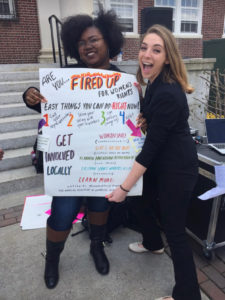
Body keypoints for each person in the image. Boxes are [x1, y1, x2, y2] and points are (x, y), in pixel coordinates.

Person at [23, 8, 124, 289]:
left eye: (93, 39)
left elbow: (130, 127)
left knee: (100, 206)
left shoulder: (123, 83)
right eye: (81, 42)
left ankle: (97, 246)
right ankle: (53, 259)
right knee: (63, 213)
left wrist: (139, 118)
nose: (87, 46)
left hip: (105, 161)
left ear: (109, 41)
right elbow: (44, 104)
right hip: (69, 165)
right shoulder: (64, 77)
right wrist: (30, 96)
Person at [106, 24, 201, 300]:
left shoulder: (168, 93)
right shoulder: (154, 83)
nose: (147, 54)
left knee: (175, 232)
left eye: (156, 50)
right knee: (142, 200)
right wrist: (137, 98)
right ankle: (152, 243)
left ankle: (187, 294)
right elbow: (150, 119)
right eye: (144, 47)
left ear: (168, 57)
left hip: (178, 170)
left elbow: (150, 149)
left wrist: (123, 188)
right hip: (162, 163)